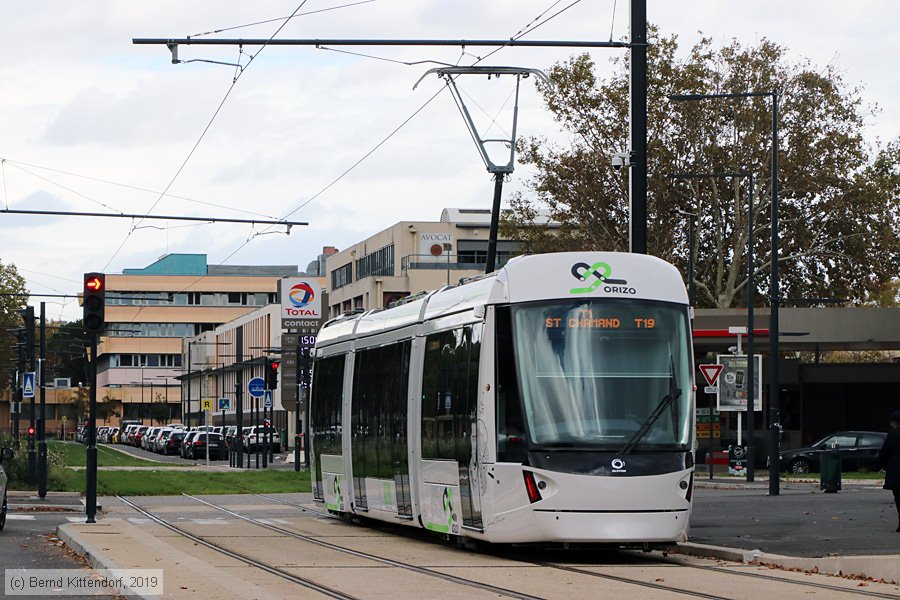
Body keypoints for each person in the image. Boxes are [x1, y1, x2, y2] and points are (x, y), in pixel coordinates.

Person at [877, 411, 900, 532]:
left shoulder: (893, 435)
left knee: (898, 496)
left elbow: (885, 452)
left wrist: (881, 464)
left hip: (896, 470)